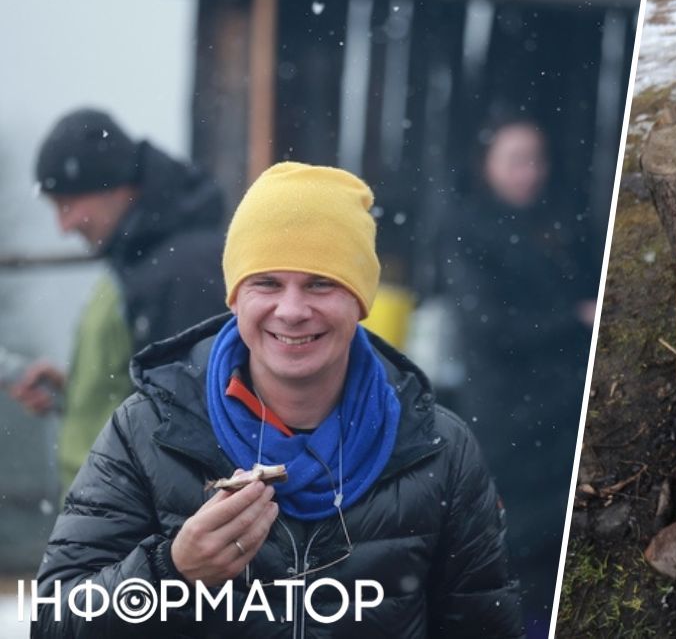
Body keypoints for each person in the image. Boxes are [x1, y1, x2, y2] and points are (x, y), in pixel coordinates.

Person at [33, 162, 523, 637]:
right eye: (266, 282)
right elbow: (55, 620)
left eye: (321, 283)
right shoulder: (147, 432)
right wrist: (171, 573)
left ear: (360, 300)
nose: (291, 310)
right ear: (234, 297)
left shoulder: (439, 450)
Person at [7, 107, 227, 495]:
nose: (63, 226)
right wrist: (81, 390)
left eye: (68, 204)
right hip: (107, 521)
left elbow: (188, 423)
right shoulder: (143, 259)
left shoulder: (182, 271)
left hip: (127, 529)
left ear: (115, 185)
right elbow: (146, 388)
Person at [440, 115, 598, 635]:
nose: (529, 172)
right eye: (516, 160)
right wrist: (571, 321)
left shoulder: (555, 218)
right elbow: (489, 327)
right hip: (507, 410)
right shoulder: (468, 229)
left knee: (558, 535)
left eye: (536, 159)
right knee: (514, 537)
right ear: (487, 165)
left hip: (560, 403)